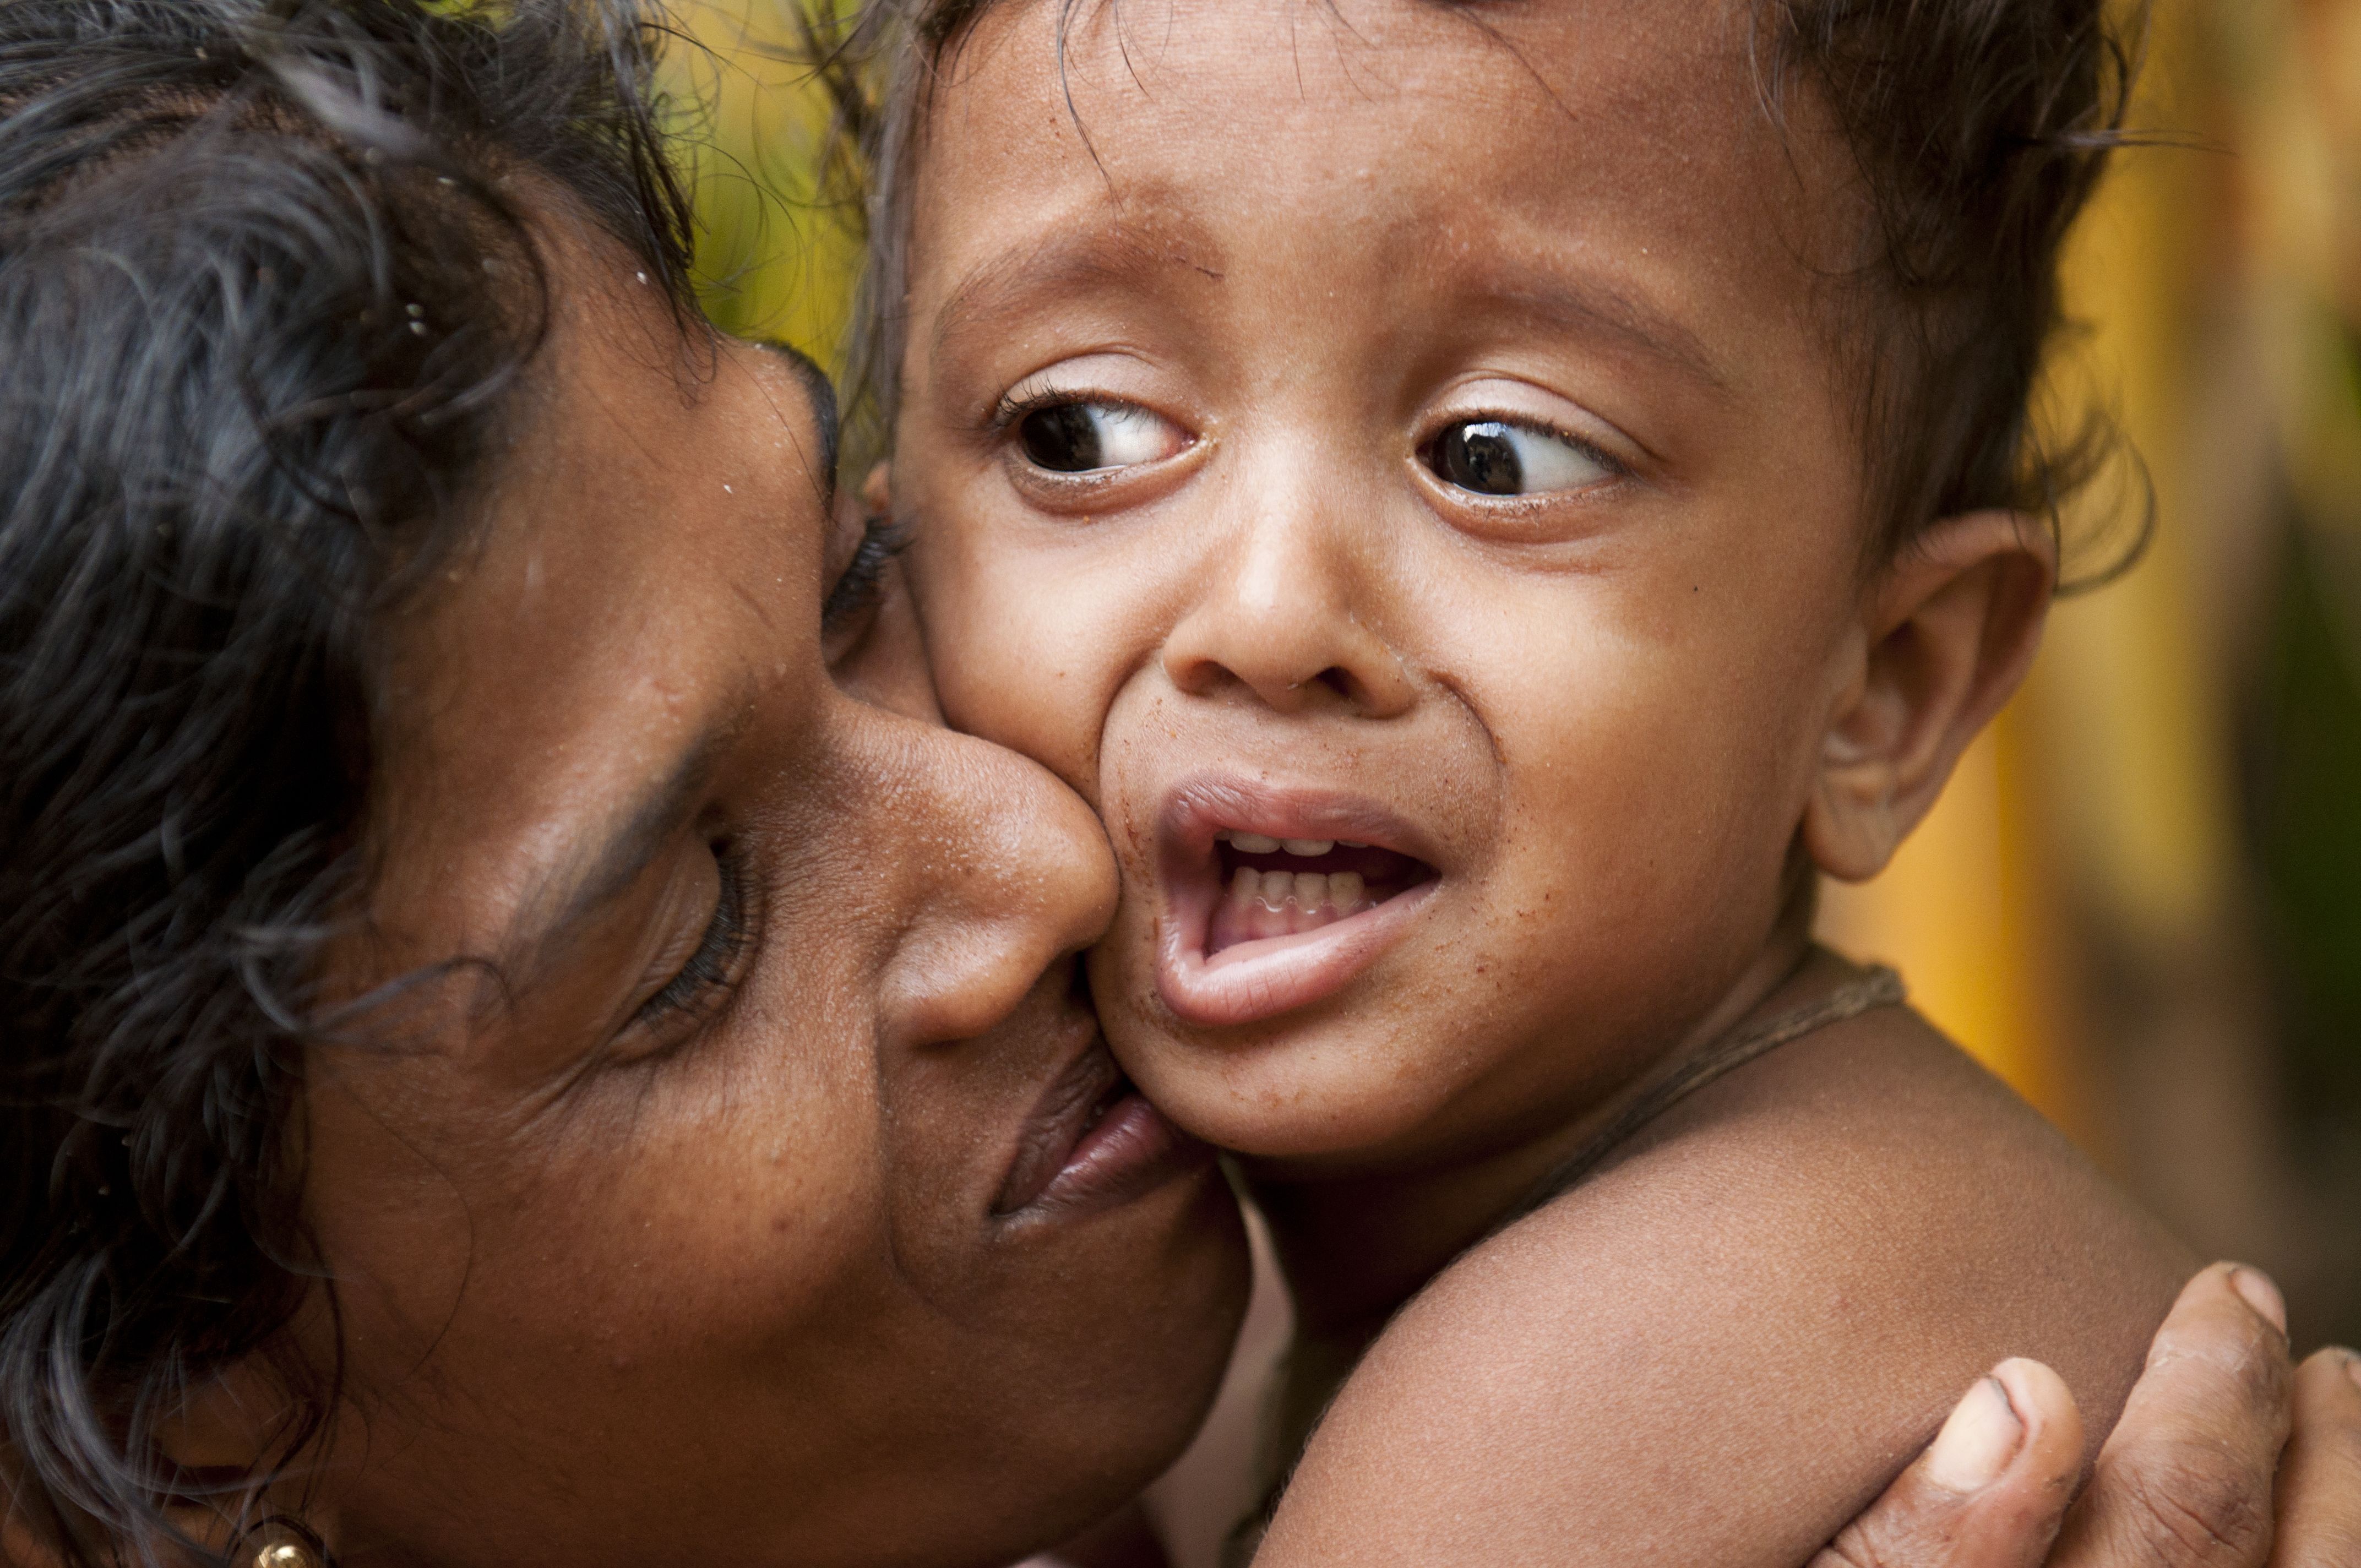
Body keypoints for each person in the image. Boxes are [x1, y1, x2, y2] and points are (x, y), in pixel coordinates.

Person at [0, 2, 2351, 1566]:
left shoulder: (1540, 1382)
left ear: (1891, 681)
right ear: (165, 1395)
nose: (1038, 850)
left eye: (845, 599)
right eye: (1081, 438)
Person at [850, 0, 2344, 1562]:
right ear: (886, 577)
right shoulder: (1254, 1339)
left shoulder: (1603, 1375)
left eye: (1500, 455)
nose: (1273, 615)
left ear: (1882, 694)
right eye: (1078, 431)